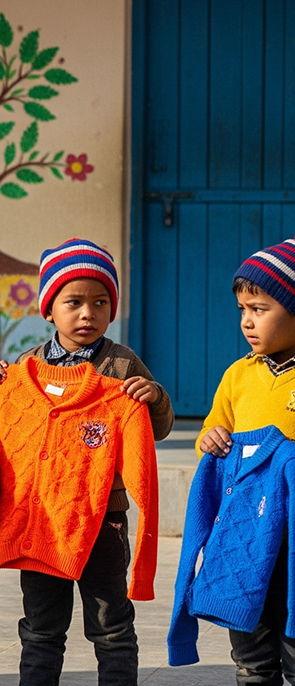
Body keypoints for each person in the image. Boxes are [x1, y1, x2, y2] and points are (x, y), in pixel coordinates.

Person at [0, 239, 173, 686]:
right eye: (74, 302)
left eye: (100, 302)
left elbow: (157, 430)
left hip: (104, 521)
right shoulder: (25, 367)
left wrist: (155, 398)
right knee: (40, 627)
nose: (88, 313)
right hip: (40, 522)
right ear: (49, 309)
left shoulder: (123, 365)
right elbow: (1, 433)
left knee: (110, 625)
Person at [196, 238, 295, 685]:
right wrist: (211, 437)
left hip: (291, 539)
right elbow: (214, 430)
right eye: (242, 310)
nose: (247, 322)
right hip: (246, 537)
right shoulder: (239, 375)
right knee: (251, 653)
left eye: (259, 309)